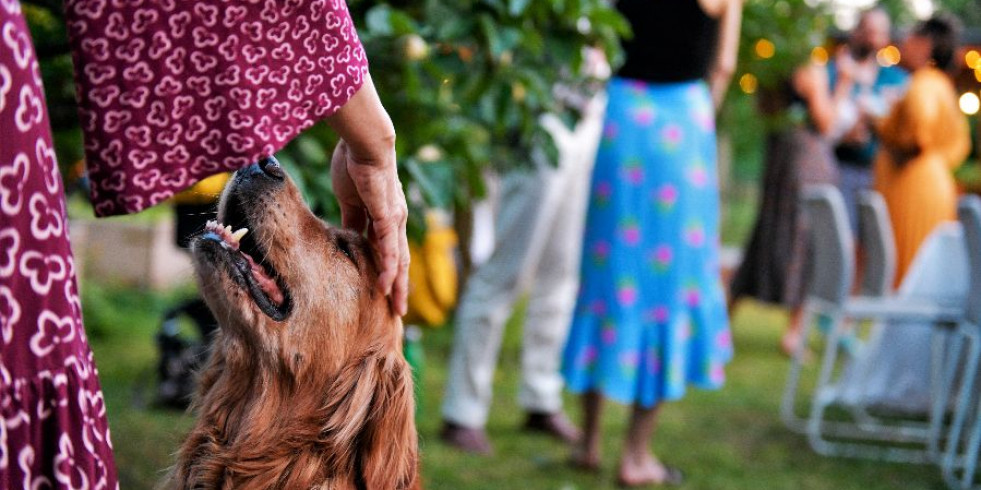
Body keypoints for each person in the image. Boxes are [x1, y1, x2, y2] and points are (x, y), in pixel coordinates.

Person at [1, 1, 408, 486]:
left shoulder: (376, 414)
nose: (267, 166)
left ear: (363, 405)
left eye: (343, 253)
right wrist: (373, 139)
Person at [561, 0, 741, 486]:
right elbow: (723, 64)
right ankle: (636, 455)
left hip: (623, 118)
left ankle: (588, 441)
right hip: (683, 121)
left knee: (606, 276)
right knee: (669, 288)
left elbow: (600, 39)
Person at [440, 86, 606, 454]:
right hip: (541, 111)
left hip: (590, 117)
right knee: (506, 270)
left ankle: (541, 397)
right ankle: (462, 411)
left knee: (562, 273)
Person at [728, 60, 840, 356]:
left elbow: (762, 109)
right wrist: (843, 87)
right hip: (806, 163)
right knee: (803, 242)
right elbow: (827, 122)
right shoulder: (810, 68)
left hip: (778, 159)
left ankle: (723, 324)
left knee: (767, 234)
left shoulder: (773, 65)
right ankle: (793, 334)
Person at [873, 14, 970, 285]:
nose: (904, 43)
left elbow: (918, 128)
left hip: (914, 185)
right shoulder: (942, 84)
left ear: (925, 45)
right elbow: (961, 144)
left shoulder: (923, 84)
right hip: (935, 181)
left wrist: (885, 124)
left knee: (910, 267)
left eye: (911, 38)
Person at [829, 8, 908, 229]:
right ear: (856, 32)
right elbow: (821, 125)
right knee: (842, 235)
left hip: (883, 173)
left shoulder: (897, 80)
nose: (872, 39)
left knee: (877, 240)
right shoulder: (836, 73)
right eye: (867, 31)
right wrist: (846, 135)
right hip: (842, 168)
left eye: (878, 33)